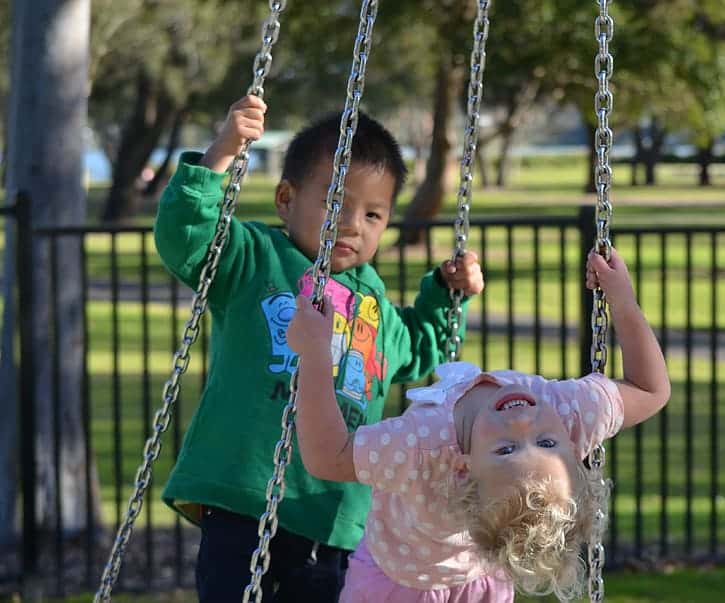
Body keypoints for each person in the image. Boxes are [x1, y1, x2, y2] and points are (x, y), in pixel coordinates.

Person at [154, 95, 485, 603]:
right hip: (246, 498)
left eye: (373, 214)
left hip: (336, 516)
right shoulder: (254, 260)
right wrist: (221, 153)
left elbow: (421, 350)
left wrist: (446, 290)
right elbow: (187, 235)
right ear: (286, 199)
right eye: (336, 204)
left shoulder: (371, 304)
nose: (353, 224)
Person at [288, 249, 670, 602]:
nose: (523, 422)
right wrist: (623, 299)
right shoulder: (568, 413)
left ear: (463, 465)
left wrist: (315, 353)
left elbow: (328, 457)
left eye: (506, 450)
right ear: (574, 444)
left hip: (408, 585)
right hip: (441, 576)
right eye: (547, 443)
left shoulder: (421, 446)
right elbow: (650, 390)